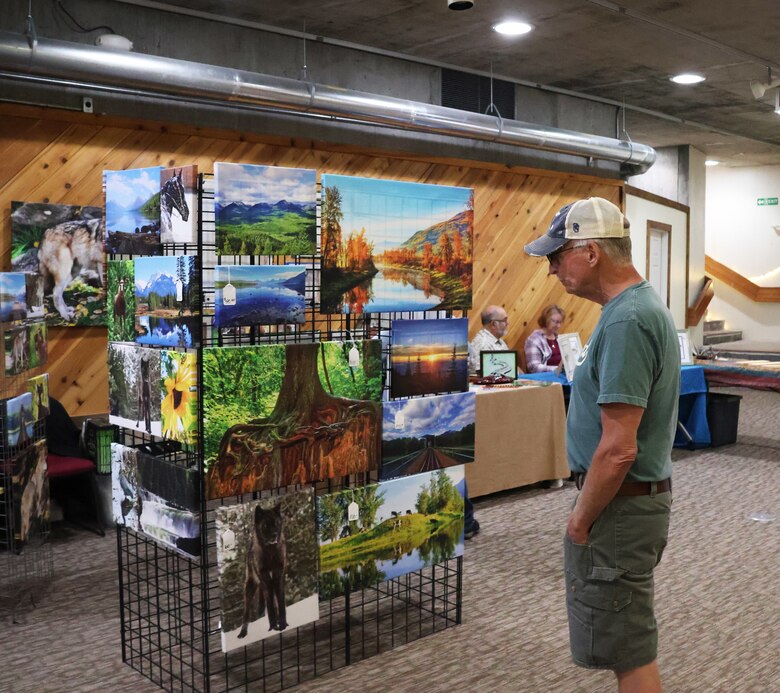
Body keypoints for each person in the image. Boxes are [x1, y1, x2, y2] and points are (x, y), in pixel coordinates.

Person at [524, 197, 679, 692]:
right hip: (627, 504)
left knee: (629, 653)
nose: (552, 269)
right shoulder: (631, 310)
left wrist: (579, 521)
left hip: (619, 508)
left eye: (557, 256)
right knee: (626, 646)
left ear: (590, 252)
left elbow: (618, 449)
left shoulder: (628, 319)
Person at [468, 304, 509, 375]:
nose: (507, 323)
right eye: (504, 320)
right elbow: (483, 374)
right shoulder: (482, 343)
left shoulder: (499, 340)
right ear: (493, 324)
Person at [525, 304, 565, 374]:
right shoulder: (534, 340)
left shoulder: (558, 337)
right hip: (546, 378)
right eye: (556, 322)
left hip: (561, 375)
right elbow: (534, 367)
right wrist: (557, 369)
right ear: (546, 320)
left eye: (560, 322)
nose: (559, 326)